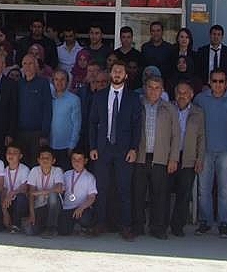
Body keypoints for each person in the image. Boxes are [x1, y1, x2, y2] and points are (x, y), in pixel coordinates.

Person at [89, 60, 141, 240]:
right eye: (115, 70)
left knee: (124, 188)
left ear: (126, 75)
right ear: (110, 74)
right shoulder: (100, 96)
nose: (117, 73)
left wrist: (134, 148)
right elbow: (92, 123)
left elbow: (137, 126)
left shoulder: (133, 98)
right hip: (103, 148)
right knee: (101, 187)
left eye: (121, 71)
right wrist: (93, 146)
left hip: (124, 149)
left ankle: (126, 226)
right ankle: (100, 223)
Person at [194, 68, 227, 239]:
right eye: (214, 81)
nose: (217, 84)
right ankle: (205, 221)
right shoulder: (200, 99)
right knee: (204, 189)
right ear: (209, 82)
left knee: (225, 190)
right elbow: (194, 125)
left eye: (221, 81)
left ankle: (224, 223)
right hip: (205, 151)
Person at [133, 71, 179, 239]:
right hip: (140, 157)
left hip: (160, 157)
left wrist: (173, 158)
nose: (153, 91)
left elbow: (176, 135)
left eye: (157, 88)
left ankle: (157, 227)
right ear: (145, 88)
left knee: (159, 195)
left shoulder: (170, 108)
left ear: (162, 90)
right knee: (138, 193)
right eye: (150, 87)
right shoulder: (137, 105)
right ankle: (138, 226)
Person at [169, 80, 205, 237]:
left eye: (185, 93)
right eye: (179, 92)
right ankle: (161, 224)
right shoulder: (168, 108)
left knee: (184, 194)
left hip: (188, 157)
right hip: (169, 156)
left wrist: (200, 158)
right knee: (164, 191)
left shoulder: (198, 112)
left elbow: (201, 137)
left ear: (191, 95)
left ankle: (178, 226)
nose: (182, 96)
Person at [16, 54, 53, 166]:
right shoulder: (18, 84)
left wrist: (44, 134)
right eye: (25, 64)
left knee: (35, 165)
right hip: (21, 132)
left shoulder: (43, 83)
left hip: (37, 133)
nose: (27, 66)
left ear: (36, 66)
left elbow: (47, 109)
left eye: (30, 63)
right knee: (22, 165)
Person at [26, 146, 64, 237]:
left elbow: (59, 189)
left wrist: (39, 193)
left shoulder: (57, 170)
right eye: (42, 157)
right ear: (38, 160)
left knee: (53, 196)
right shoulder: (34, 170)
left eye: (48, 158)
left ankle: (51, 228)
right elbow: (31, 194)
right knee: (30, 231)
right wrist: (32, 213)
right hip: (39, 206)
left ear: (53, 160)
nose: (45, 160)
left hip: (54, 207)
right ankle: (44, 226)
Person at [59, 149, 99, 235]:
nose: (76, 162)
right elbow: (61, 191)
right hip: (67, 208)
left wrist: (81, 208)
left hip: (82, 208)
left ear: (85, 161)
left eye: (80, 159)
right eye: (74, 159)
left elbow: (92, 197)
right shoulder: (66, 174)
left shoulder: (89, 177)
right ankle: (74, 226)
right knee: (63, 231)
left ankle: (82, 226)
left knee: (85, 219)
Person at [50, 69, 80, 171]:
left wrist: (72, 145)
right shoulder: (49, 98)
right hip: (50, 144)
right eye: (56, 79)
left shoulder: (74, 99)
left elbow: (77, 124)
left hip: (66, 146)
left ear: (67, 82)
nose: (59, 82)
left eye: (62, 79)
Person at [0, 142, 30, 232]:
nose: (11, 155)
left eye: (15, 153)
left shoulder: (25, 169)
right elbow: (3, 192)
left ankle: (16, 224)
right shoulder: (3, 170)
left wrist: (12, 193)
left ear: (20, 156)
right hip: (8, 203)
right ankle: (8, 221)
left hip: (20, 203)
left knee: (21, 197)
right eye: (9, 152)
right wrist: (4, 212)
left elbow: (24, 188)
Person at [197, 24, 227, 89]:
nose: (216, 37)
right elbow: (198, 71)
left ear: (222, 37)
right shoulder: (201, 51)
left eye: (219, 34)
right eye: (214, 34)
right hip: (206, 87)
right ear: (210, 35)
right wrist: (201, 85)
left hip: (223, 88)